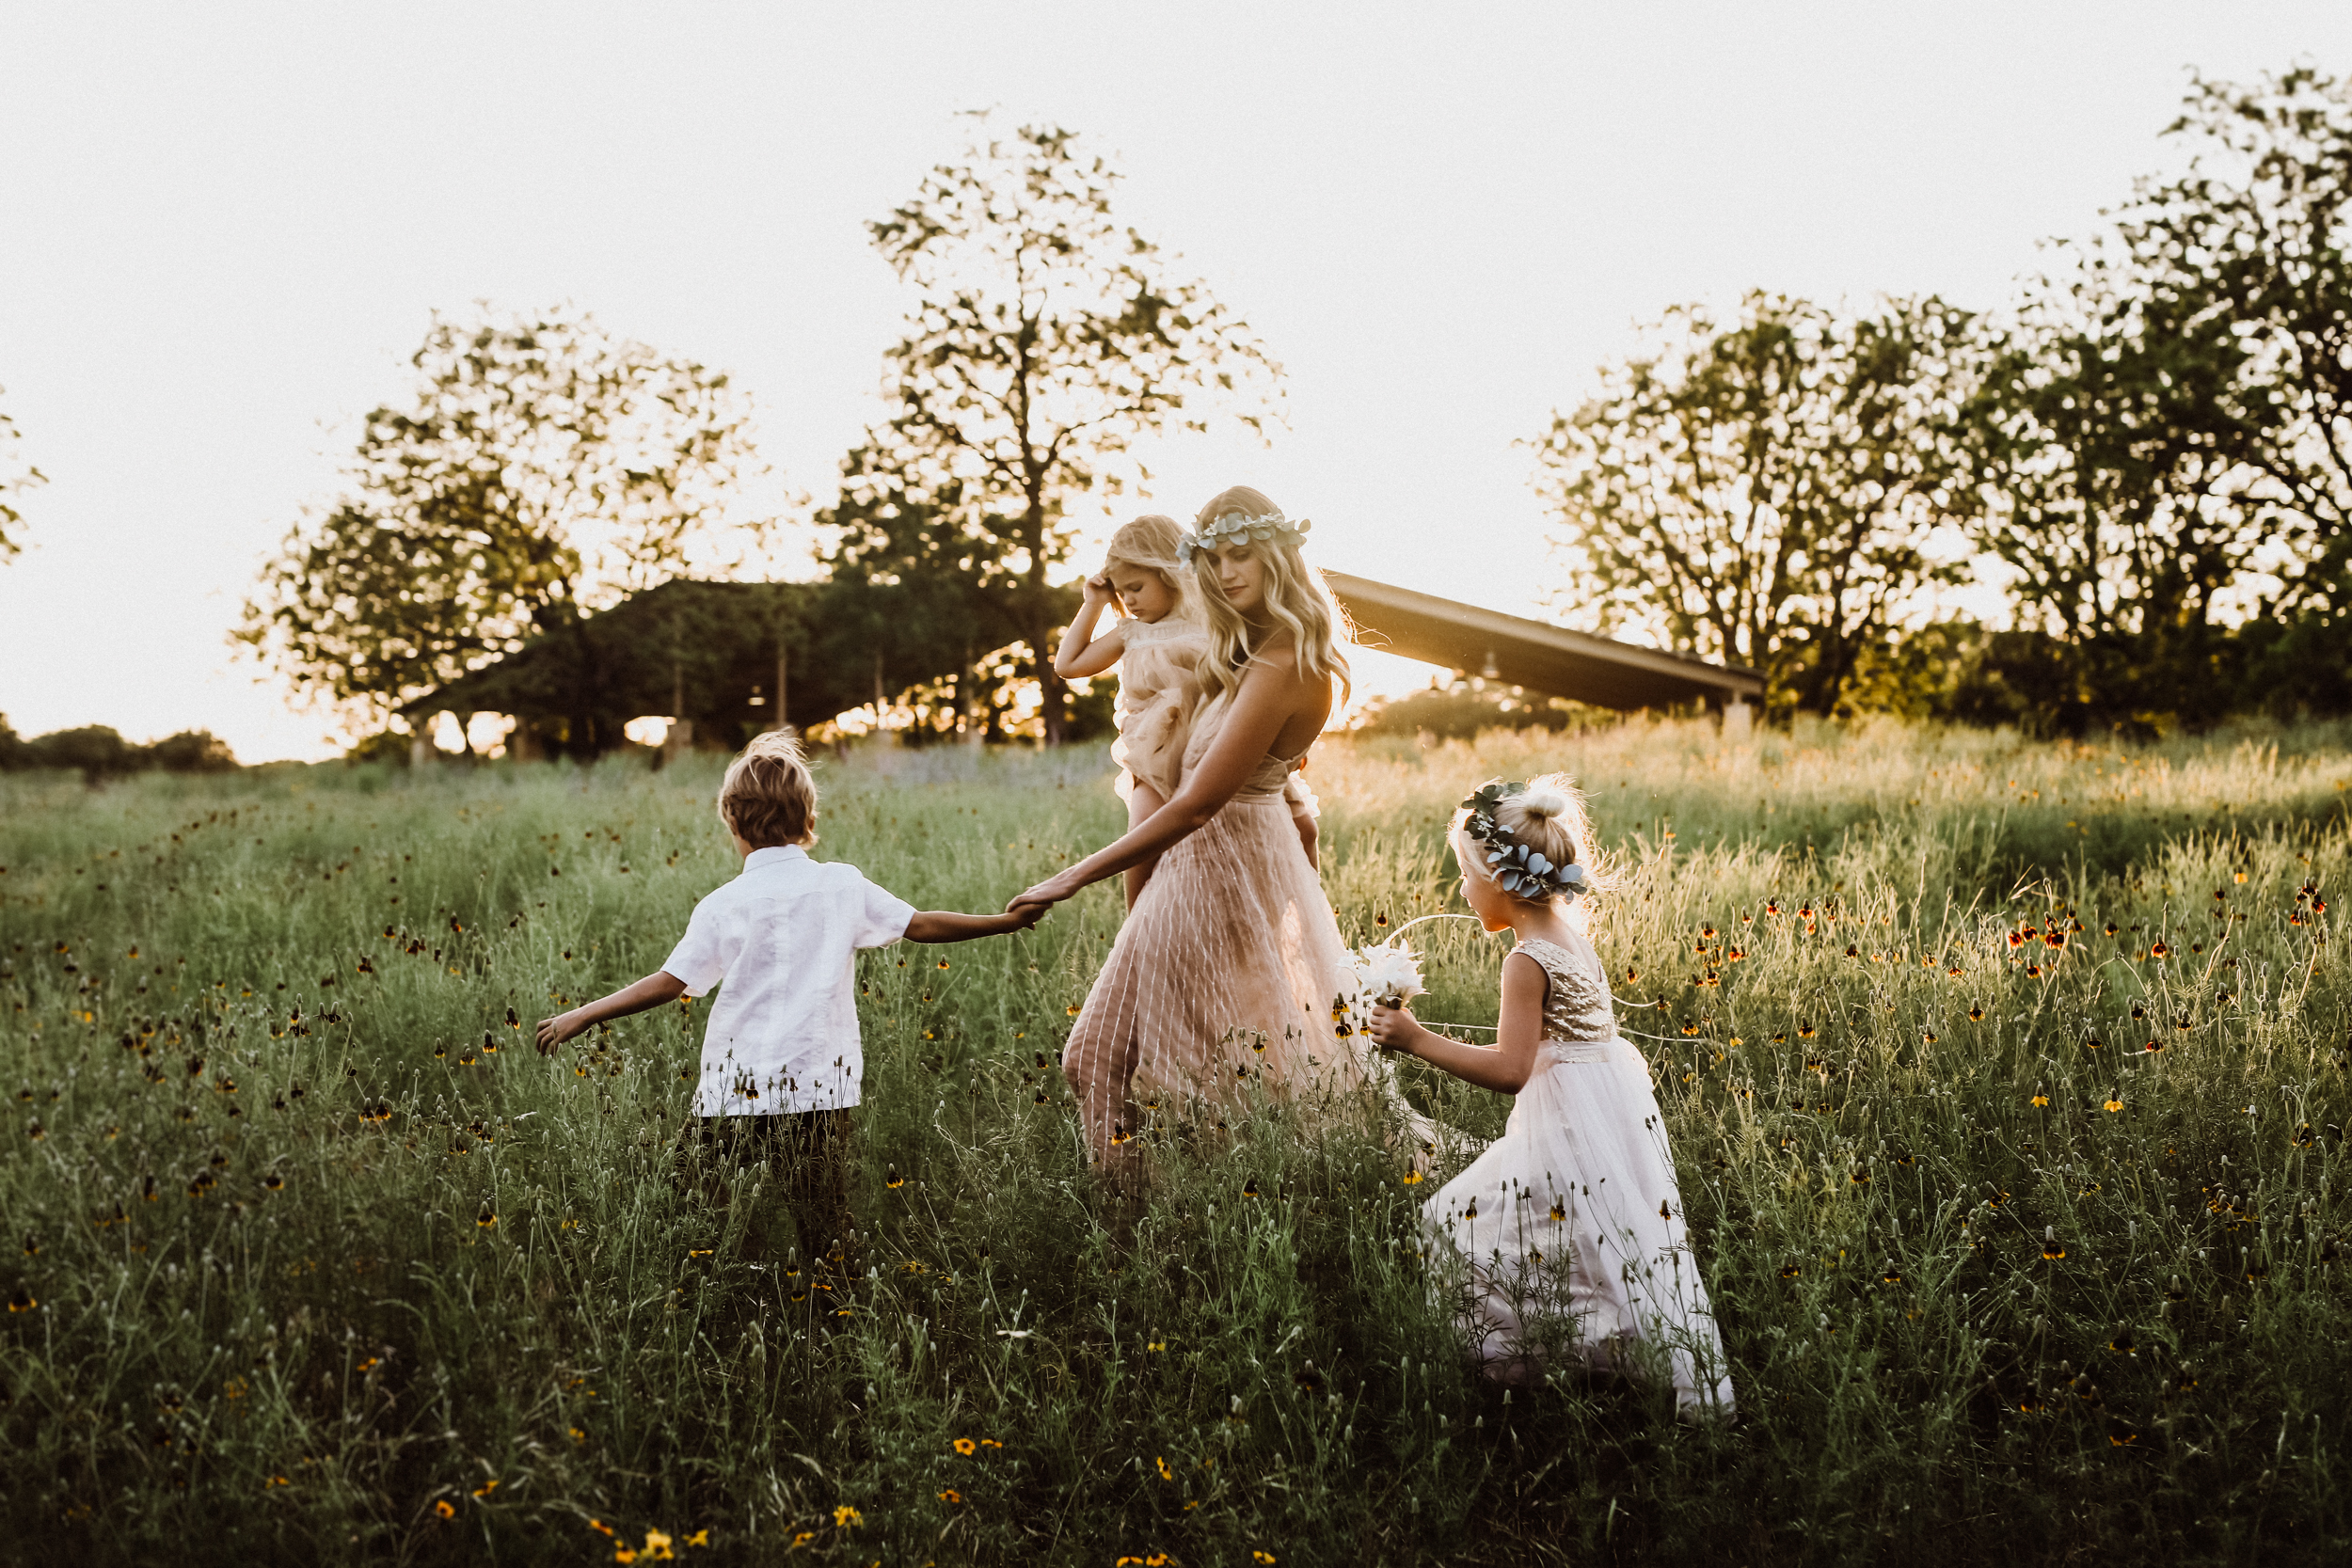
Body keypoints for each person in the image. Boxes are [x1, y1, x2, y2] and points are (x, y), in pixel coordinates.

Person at [536, 730, 1037, 1304]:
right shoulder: (840, 885)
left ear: (733, 821)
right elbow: (921, 925)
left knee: (689, 1200)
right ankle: (845, 1326)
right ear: (807, 817)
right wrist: (1004, 921)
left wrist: (586, 1014)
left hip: (736, 1091)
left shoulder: (725, 903)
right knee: (823, 1220)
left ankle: (694, 1302)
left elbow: (671, 982)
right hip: (820, 1085)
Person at [1013, 486, 1372, 1187]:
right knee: (1191, 1063)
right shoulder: (1241, 650)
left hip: (1215, 868)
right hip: (1200, 868)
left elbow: (1200, 803)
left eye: (1242, 554)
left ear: (1279, 556)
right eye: (1213, 559)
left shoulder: (1286, 659)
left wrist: (1071, 876)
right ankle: (1174, 1224)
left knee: (1102, 1056)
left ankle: (1140, 1238)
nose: (1228, 572)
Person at [1366, 776, 1736, 1419]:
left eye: (1463, 874)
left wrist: (1415, 1037)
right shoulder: (1571, 937)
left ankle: (1530, 1365)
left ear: (1501, 880)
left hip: (1565, 1129)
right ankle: (1612, 1356)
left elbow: (1512, 1069)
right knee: (1606, 1241)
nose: (1460, 889)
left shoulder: (1525, 960)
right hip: (1604, 1119)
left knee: (1454, 1224)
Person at [1053, 513, 1319, 908]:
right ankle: (1138, 921)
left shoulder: (1215, 622)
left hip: (1218, 746)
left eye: (1137, 587)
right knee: (1142, 835)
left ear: (1170, 574)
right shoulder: (1131, 633)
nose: (1128, 600)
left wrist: (1284, 741)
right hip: (1156, 756)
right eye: (1121, 592)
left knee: (1303, 826)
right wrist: (1093, 603)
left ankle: (1313, 918)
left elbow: (1262, 688)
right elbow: (1069, 665)